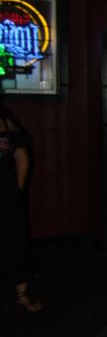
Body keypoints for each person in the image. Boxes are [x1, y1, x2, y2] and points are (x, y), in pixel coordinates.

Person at [0, 97, 41, 312]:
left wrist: (18, 188)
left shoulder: (6, 122)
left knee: (16, 242)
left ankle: (22, 295)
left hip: (6, 194)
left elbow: (22, 155)